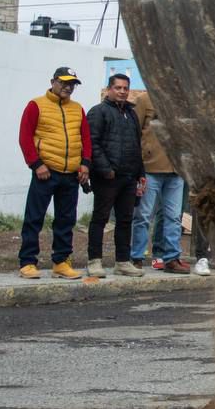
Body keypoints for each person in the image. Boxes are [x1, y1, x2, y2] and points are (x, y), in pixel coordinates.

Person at [16, 67, 92, 279]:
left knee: (66, 220)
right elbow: (25, 137)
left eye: (72, 84)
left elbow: (85, 139)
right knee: (34, 218)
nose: (68, 87)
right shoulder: (36, 105)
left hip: (71, 174)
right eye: (64, 82)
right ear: (53, 81)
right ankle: (28, 262)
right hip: (45, 172)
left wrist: (85, 164)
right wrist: (36, 164)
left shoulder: (78, 109)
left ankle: (61, 262)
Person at [85, 74, 146, 278]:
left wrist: (140, 173)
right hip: (107, 177)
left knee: (125, 220)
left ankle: (122, 261)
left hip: (129, 177)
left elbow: (137, 145)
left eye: (125, 88)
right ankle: (94, 261)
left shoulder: (132, 114)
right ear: (109, 89)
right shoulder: (98, 112)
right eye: (118, 87)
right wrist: (106, 169)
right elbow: (92, 143)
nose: (122, 91)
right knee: (100, 219)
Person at [130, 92, 191, 274]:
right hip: (150, 168)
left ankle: (171, 258)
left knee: (173, 217)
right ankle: (136, 258)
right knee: (143, 216)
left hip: (176, 169)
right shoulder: (144, 99)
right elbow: (134, 132)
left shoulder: (182, 99)